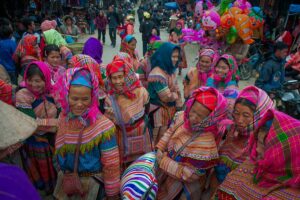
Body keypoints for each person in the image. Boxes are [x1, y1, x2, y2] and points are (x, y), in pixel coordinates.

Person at [53, 63, 121, 199]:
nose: (79, 104)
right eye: (74, 99)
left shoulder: (104, 127)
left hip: (93, 187)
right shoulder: (63, 119)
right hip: (69, 183)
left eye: (85, 99)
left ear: (93, 97)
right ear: (66, 96)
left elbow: (111, 165)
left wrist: (112, 194)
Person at [156, 87, 229, 199]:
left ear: (211, 119)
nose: (193, 118)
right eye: (193, 111)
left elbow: (190, 174)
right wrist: (160, 148)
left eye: (201, 116)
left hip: (182, 188)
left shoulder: (206, 144)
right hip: (165, 174)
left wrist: (163, 160)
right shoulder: (181, 117)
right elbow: (170, 131)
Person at [216, 109, 300, 199]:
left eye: (265, 146)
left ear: (284, 153)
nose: (257, 149)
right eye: (258, 142)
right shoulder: (254, 164)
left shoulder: (290, 193)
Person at [214, 86, 274, 186]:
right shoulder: (232, 132)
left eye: (246, 116)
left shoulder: (263, 144)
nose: (239, 120)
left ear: (261, 115)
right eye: (236, 113)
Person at [15, 62, 58, 195]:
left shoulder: (52, 92)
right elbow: (30, 122)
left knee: (56, 164)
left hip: (53, 136)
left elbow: (62, 109)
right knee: (43, 167)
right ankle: (47, 189)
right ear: (26, 80)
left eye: (39, 81)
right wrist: (56, 123)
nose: (34, 85)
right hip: (36, 140)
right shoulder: (23, 95)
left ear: (46, 78)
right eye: (30, 80)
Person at [104, 59, 153, 168]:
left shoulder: (140, 91)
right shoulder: (110, 99)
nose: (117, 82)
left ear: (127, 76)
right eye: (114, 78)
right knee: (125, 166)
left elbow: (147, 110)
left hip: (141, 132)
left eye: (120, 77)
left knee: (142, 164)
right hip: (122, 136)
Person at [148, 42, 182, 144]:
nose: (175, 59)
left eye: (177, 56)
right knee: (156, 138)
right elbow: (166, 97)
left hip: (167, 111)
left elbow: (176, 87)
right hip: (158, 111)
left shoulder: (170, 70)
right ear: (165, 55)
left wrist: (176, 96)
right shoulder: (157, 73)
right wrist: (176, 95)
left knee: (165, 136)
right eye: (173, 56)